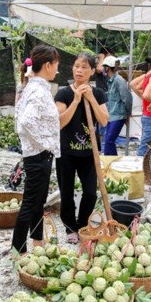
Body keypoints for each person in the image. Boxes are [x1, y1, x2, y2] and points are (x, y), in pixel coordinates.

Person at [12, 45, 61, 254]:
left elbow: (19, 120)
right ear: (48, 65)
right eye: (56, 66)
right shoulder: (38, 91)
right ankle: (18, 251)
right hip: (39, 155)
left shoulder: (33, 87)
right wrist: (45, 144)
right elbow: (25, 122)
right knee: (31, 203)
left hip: (38, 154)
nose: (57, 71)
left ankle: (37, 241)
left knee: (38, 201)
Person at [54, 53, 108, 244]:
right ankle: (69, 227)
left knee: (91, 192)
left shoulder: (99, 93)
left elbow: (103, 120)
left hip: (89, 153)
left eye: (84, 67)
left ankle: (82, 224)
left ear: (92, 71)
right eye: (77, 66)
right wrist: (76, 100)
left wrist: (91, 98)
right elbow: (60, 123)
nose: (79, 70)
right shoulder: (63, 93)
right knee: (66, 192)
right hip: (66, 151)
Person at [103, 55, 132, 155]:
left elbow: (127, 98)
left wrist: (128, 114)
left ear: (107, 68)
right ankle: (109, 163)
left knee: (109, 141)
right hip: (112, 115)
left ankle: (112, 162)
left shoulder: (119, 80)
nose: (103, 69)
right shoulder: (111, 81)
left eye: (104, 67)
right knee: (107, 142)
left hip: (119, 115)